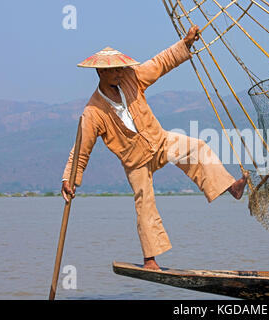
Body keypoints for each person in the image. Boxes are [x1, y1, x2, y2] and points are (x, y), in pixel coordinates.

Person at [61, 26, 249, 270]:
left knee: (198, 147)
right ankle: (150, 259)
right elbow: (80, 151)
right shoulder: (93, 112)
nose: (119, 73)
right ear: (100, 72)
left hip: (159, 141)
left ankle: (230, 187)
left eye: (120, 68)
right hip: (135, 161)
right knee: (145, 203)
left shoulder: (132, 77)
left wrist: (186, 44)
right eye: (114, 70)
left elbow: (160, 63)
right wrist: (69, 178)